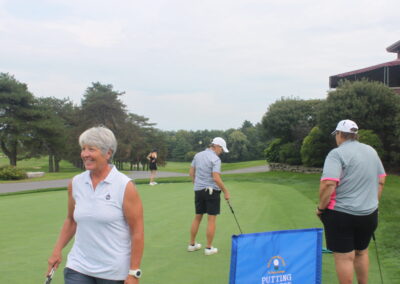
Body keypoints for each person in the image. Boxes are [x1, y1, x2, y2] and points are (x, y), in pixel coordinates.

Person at [46, 126, 144, 284]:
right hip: (78, 266)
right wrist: (57, 251)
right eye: (83, 149)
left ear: (108, 153)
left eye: (91, 149)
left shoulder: (125, 186)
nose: (85, 154)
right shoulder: (76, 182)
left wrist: (134, 273)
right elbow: (71, 220)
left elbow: (137, 232)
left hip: (113, 271)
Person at [317, 120, 386, 284]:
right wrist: (373, 203)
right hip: (368, 214)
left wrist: (321, 208)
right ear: (355, 135)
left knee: (344, 258)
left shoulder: (337, 154)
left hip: (341, 214)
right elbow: (381, 180)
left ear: (340, 134)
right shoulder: (371, 151)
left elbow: (328, 184)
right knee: (361, 252)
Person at [188, 137, 230, 256]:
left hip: (198, 190)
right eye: (221, 149)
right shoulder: (215, 159)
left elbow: (191, 173)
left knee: (198, 217)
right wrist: (226, 191)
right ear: (216, 146)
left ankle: (192, 245)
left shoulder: (198, 155)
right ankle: (208, 248)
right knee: (211, 219)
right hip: (211, 191)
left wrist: (196, 184)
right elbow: (216, 178)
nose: (221, 152)